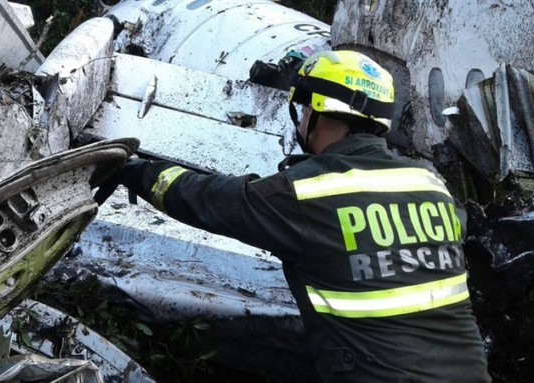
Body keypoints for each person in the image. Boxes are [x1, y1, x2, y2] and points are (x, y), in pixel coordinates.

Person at [95, 50, 491, 382]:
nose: (301, 119)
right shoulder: (430, 184)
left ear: (319, 109)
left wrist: (137, 171)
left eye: (304, 107)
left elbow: (210, 200)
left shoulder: (309, 193)